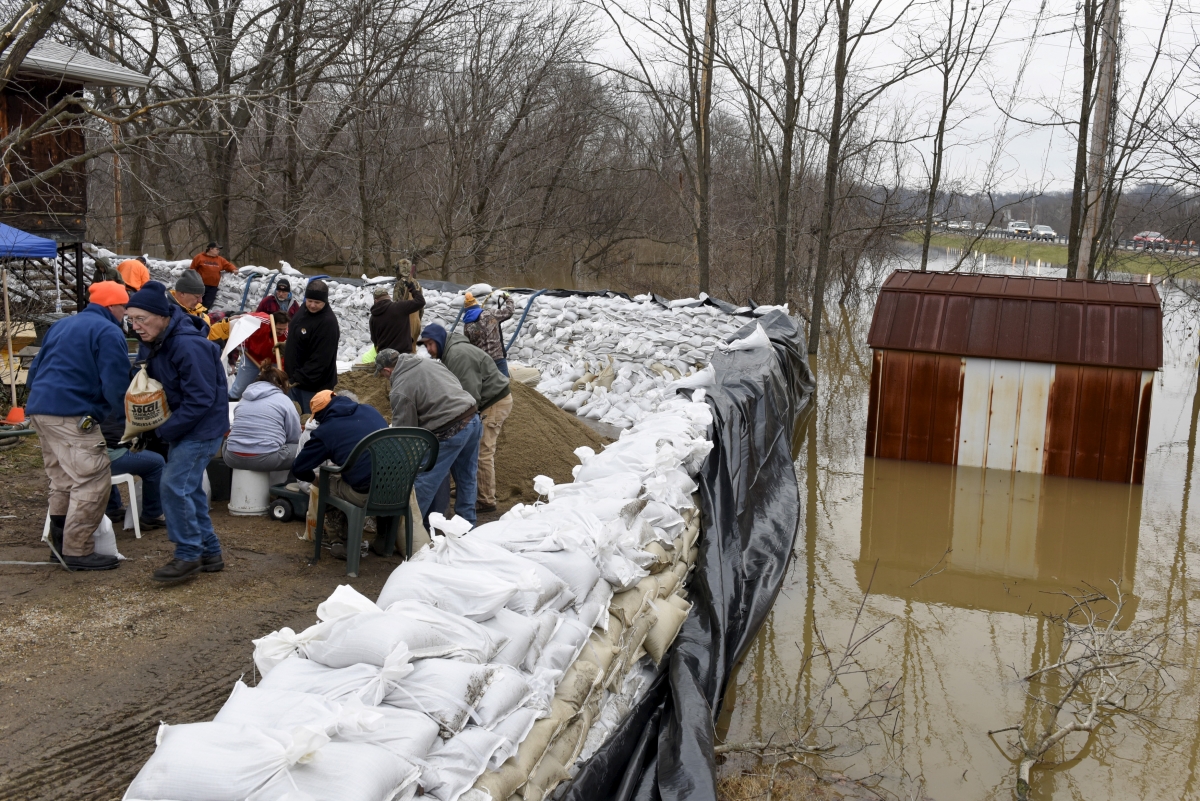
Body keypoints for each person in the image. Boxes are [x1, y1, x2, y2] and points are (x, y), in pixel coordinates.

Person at [126, 280, 230, 583]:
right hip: (188, 425)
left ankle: (188, 555)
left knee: (173, 485)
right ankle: (209, 551)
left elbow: (201, 398)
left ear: (161, 315)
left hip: (200, 429)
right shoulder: (159, 341)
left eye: (141, 319)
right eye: (131, 320)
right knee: (189, 488)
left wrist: (165, 431)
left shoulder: (187, 344)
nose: (135, 326)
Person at [25, 281, 132, 570]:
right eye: (124, 307)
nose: (127, 314)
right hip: (72, 413)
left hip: (41, 408)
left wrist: (38, 400)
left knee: (62, 480)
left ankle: (59, 546)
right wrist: (125, 424)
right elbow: (116, 381)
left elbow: (35, 369)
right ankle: (78, 550)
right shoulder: (108, 331)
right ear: (112, 306)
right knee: (93, 479)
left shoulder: (62, 326)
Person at [375, 347, 482, 525]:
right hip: (472, 416)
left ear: (387, 370)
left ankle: (412, 530)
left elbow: (406, 433)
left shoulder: (400, 388)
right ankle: (467, 524)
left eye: (383, 375)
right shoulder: (429, 363)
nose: (386, 379)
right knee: (467, 476)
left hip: (449, 429)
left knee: (426, 479)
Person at [417, 323, 511, 514]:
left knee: (481, 451)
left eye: (429, 344)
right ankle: (470, 492)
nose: (428, 350)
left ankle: (485, 500)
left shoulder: (458, 355)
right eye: (425, 346)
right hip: (485, 399)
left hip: (494, 400)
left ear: (438, 340)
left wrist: (459, 423)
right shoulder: (450, 352)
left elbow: (469, 396)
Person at [291, 389, 387, 559]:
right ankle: (384, 540)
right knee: (374, 474)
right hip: (398, 488)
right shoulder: (370, 410)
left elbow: (299, 468)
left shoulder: (327, 430)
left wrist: (315, 479)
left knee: (328, 483)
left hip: (364, 494)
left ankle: (339, 541)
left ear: (319, 415)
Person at [223, 365, 301, 472]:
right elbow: (294, 436)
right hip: (266, 459)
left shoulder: (243, 399)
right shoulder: (284, 400)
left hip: (232, 457)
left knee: (229, 442)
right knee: (304, 448)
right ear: (281, 385)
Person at [100, 412, 166, 530]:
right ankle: (153, 514)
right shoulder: (122, 402)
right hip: (107, 456)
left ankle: (113, 508)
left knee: (103, 457)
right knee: (157, 463)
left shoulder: (90, 403)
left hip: (84, 456)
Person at [284, 279, 339, 414]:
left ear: (325, 302)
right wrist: (286, 347)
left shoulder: (327, 324)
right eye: (309, 301)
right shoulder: (303, 309)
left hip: (313, 387)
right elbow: (298, 334)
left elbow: (320, 361)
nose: (312, 305)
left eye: (317, 302)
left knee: (310, 422)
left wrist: (296, 379)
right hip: (294, 380)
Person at [229, 312, 287, 399]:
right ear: (272, 324)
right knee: (239, 389)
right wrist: (242, 344)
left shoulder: (288, 334)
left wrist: (281, 372)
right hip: (251, 357)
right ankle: (230, 403)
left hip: (273, 361)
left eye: (284, 329)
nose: (282, 332)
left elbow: (284, 357)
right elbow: (241, 321)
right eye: (279, 329)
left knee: (275, 388)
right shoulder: (260, 321)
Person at [462, 286, 515, 376]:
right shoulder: (490, 314)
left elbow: (470, 347)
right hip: (498, 358)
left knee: (490, 387)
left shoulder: (467, 326)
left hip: (483, 362)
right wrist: (507, 297)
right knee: (505, 385)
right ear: (476, 305)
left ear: (466, 310)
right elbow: (509, 311)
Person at [369, 279, 424, 355]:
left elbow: (374, 340)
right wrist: (412, 290)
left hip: (385, 357)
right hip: (402, 356)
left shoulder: (373, 318)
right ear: (388, 297)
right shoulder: (400, 307)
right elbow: (420, 302)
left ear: (375, 301)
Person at [189, 241, 237, 310]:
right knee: (197, 302)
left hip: (213, 287)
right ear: (210, 249)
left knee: (207, 303)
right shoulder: (199, 257)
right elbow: (192, 270)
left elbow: (228, 265)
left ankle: (204, 317)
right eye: (217, 249)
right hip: (200, 285)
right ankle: (194, 314)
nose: (218, 251)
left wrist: (234, 269)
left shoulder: (220, 259)